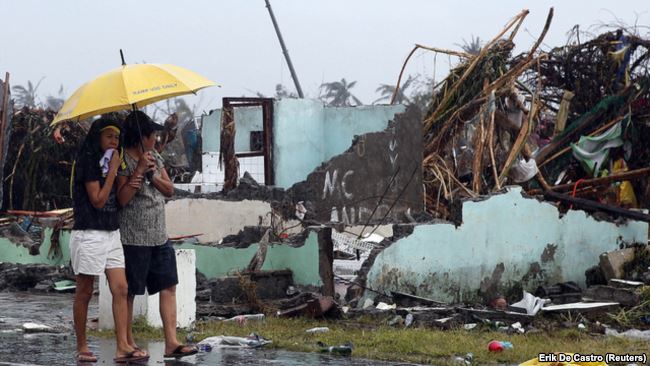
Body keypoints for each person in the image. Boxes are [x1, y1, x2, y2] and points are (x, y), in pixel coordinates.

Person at [117, 110, 198, 359]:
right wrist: (139, 171)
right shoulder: (122, 161)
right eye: (152, 135)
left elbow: (169, 189)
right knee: (131, 291)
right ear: (141, 136)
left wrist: (151, 174)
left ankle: (171, 342)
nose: (155, 138)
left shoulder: (154, 158)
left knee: (168, 286)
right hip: (134, 236)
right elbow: (122, 198)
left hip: (159, 234)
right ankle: (128, 343)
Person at [70, 117, 148, 363]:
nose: (114, 141)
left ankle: (123, 345)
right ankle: (82, 346)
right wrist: (113, 170)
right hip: (90, 232)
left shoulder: (114, 161)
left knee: (121, 288)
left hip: (112, 231)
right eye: (108, 136)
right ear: (97, 138)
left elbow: (118, 197)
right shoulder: (88, 162)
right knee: (85, 290)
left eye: (117, 137)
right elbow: (98, 201)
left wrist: (128, 173)